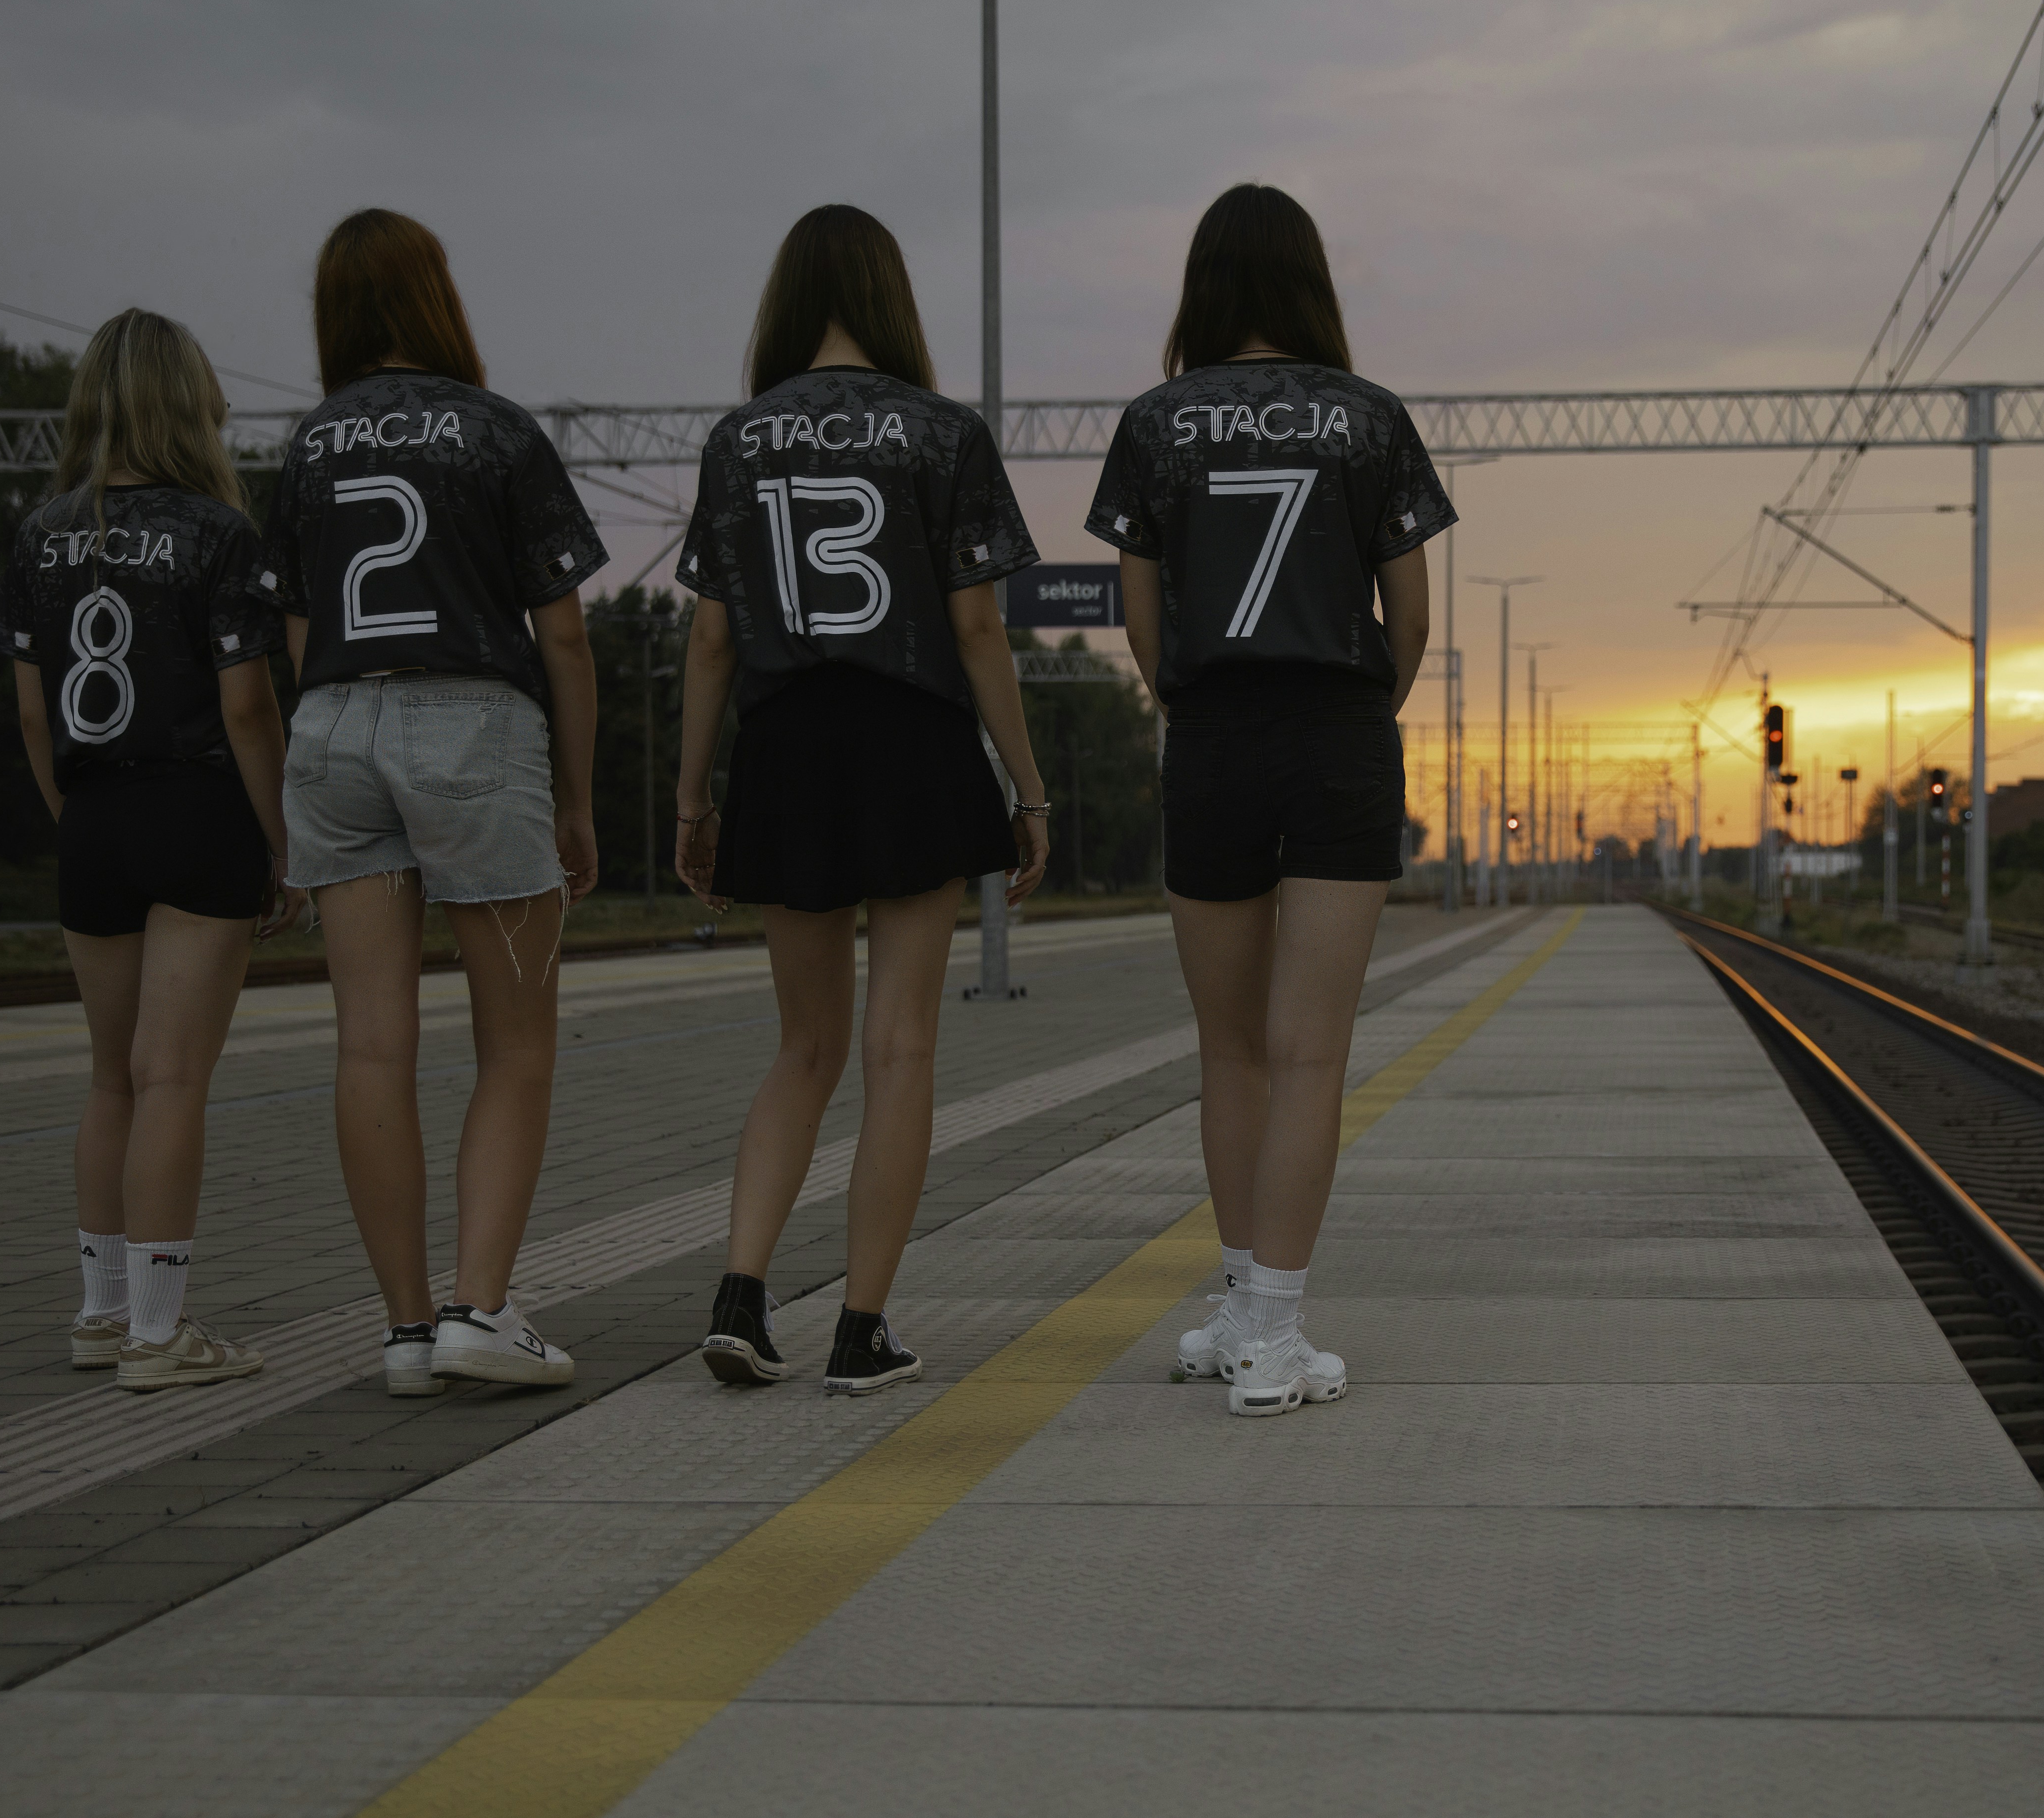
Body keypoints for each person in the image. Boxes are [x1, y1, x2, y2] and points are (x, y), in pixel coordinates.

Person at [1086, 184, 1450, 1417]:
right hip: (1339, 733)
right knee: (1312, 1054)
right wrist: (1363, 716)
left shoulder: (1154, 423)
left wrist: (1187, 706)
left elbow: (1138, 610)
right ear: (1311, 284)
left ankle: (1239, 1303)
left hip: (1212, 734)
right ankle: (1273, 1335)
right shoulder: (1369, 420)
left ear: (1203, 285)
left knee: (1230, 1048)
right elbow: (1412, 615)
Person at [672, 204, 1048, 1395]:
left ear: (786, 299)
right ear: (891, 298)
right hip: (914, 739)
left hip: (786, 746)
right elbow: (979, 624)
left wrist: (693, 797)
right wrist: (1027, 787)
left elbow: (714, 639)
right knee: (900, 1048)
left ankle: (740, 1293)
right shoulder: (943, 434)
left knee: (803, 1045)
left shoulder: (738, 441)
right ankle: (860, 1327)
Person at [263, 209, 604, 1396]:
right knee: (514, 1047)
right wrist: (575, 794)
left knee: (371, 1046)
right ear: (437, 298)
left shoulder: (307, 448)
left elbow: (296, 632)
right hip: (471, 724)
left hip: (332, 726)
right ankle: (480, 1307)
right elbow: (562, 634)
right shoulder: (495, 433)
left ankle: (406, 1331)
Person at [0, 308, 292, 1392]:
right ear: (191, 405)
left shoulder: (39, 534)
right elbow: (249, 710)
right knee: (173, 1079)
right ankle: (165, 1336)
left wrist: (75, 818)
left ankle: (101, 1314)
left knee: (110, 1077)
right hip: (197, 811)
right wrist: (282, 843)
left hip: (93, 822)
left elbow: (32, 717)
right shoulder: (218, 533)